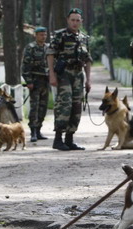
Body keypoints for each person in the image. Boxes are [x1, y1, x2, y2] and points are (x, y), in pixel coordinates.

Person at [47, 8, 92, 151]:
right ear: (68, 20)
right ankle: (58, 139)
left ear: (81, 21)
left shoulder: (84, 38)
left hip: (78, 74)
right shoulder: (60, 35)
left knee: (76, 107)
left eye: (77, 20)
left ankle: (69, 139)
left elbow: (88, 60)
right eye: (72, 20)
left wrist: (88, 79)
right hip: (64, 74)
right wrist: (52, 75)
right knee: (64, 105)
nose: (75, 23)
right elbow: (50, 54)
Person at [22, 26, 50, 143]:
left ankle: (39, 130)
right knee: (35, 107)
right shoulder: (30, 48)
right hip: (35, 81)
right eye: (40, 35)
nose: (43, 37)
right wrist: (29, 81)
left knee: (43, 107)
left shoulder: (49, 48)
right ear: (36, 35)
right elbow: (26, 66)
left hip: (46, 81)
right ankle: (33, 131)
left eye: (44, 34)